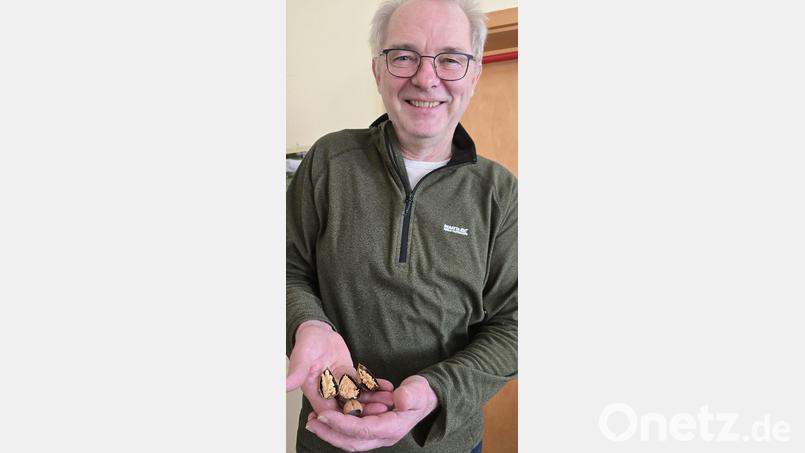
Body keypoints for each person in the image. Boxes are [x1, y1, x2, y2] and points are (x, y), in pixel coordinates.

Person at [285, 0, 517, 451]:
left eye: (450, 59)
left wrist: (436, 391)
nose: (426, 77)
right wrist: (307, 324)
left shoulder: (500, 193)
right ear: (377, 70)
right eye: (404, 55)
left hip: (448, 442)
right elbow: (287, 269)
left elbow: (516, 324)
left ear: (475, 74)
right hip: (327, 435)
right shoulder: (329, 161)